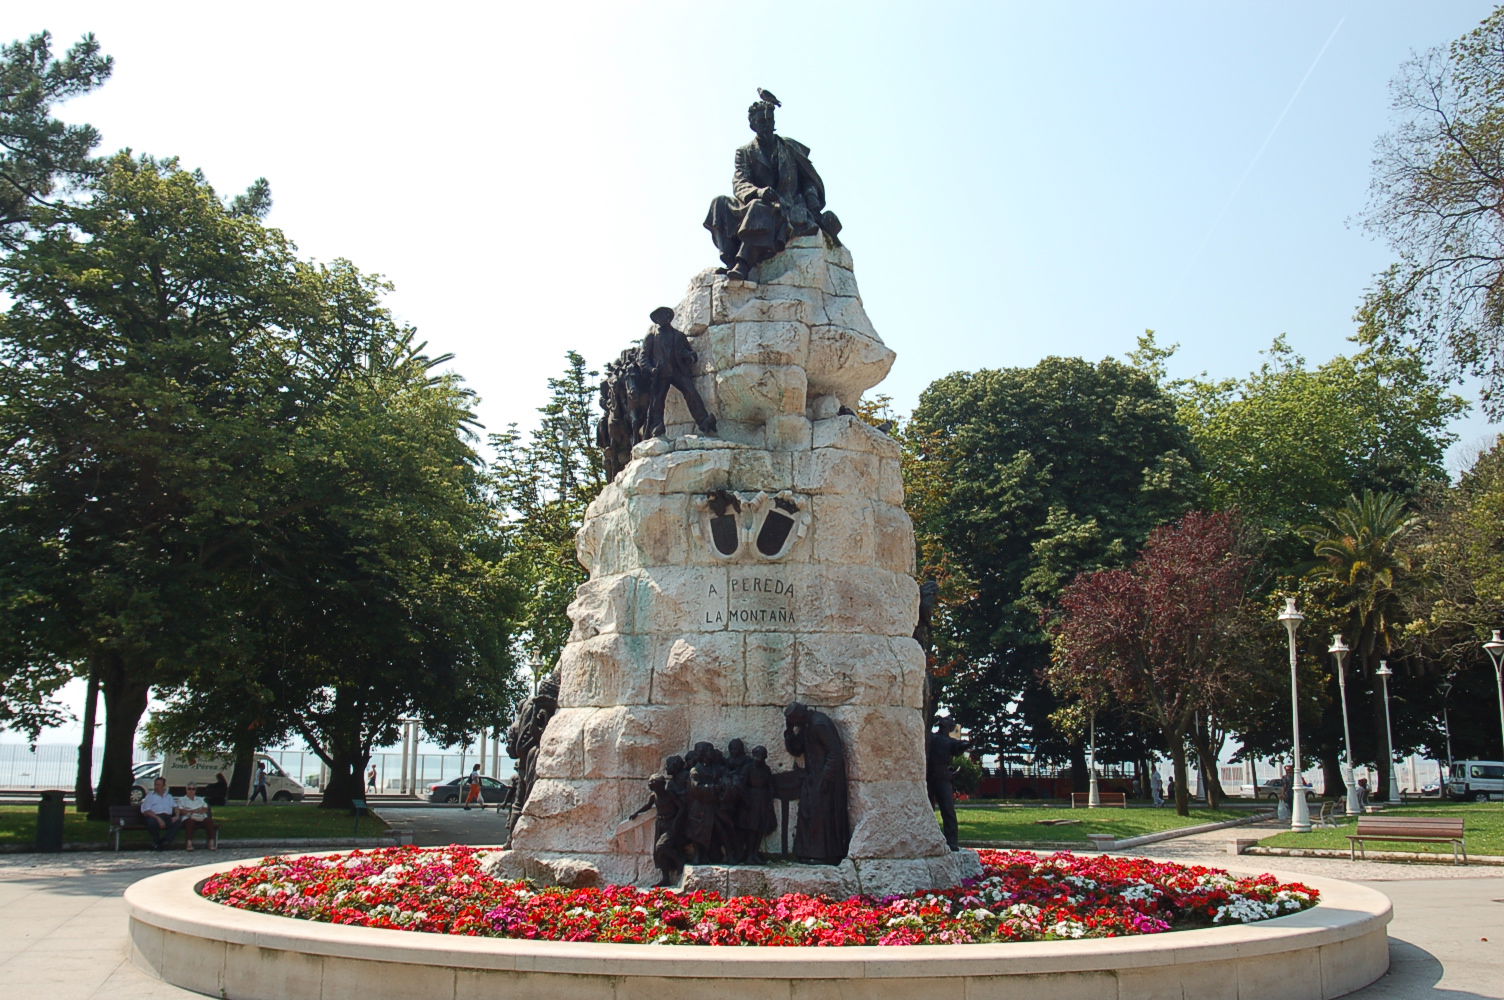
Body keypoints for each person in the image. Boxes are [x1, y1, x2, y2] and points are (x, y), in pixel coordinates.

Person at [704, 98, 841, 281]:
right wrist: (758, 192)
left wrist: (813, 206)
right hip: (755, 199)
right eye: (761, 121)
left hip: (786, 204)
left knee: (758, 208)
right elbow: (740, 181)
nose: (766, 125)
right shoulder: (745, 152)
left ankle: (742, 264)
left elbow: (809, 180)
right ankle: (730, 260)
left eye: (769, 120)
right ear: (752, 125)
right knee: (719, 203)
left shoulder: (790, 147)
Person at [782, 702, 850, 864]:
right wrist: (789, 731)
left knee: (823, 815)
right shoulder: (806, 725)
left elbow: (835, 753)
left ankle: (825, 854)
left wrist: (825, 778)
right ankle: (809, 852)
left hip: (826, 778)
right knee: (809, 814)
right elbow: (796, 749)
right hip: (812, 776)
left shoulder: (819, 723)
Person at [642, 307, 716, 439]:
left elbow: (686, 351)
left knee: (691, 392)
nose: (660, 319)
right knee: (657, 401)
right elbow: (643, 358)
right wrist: (651, 369)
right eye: (657, 317)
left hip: (677, 371)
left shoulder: (679, 335)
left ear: (668, 317)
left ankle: (704, 422)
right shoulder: (652, 337)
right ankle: (657, 427)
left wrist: (690, 356)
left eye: (662, 315)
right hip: (660, 373)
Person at [926, 717, 969, 851]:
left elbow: (959, 746)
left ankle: (951, 842)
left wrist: (967, 744)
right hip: (931, 776)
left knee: (947, 809)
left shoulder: (948, 741)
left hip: (941, 777)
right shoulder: (932, 738)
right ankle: (932, 839)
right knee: (931, 810)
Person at [139, 777, 180, 852]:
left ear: (164, 786)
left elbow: (176, 807)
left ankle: (163, 841)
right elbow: (146, 811)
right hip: (154, 816)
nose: (156, 787)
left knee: (177, 822)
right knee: (152, 823)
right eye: (155, 784)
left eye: (158, 785)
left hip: (167, 816)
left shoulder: (169, 796)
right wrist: (158, 819)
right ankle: (157, 841)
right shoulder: (150, 796)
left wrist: (176, 816)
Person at [176, 782, 219, 851]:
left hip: (200, 818)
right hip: (189, 818)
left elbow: (205, 809)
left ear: (196, 790)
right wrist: (196, 810)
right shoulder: (182, 799)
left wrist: (191, 811)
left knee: (209, 821)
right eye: (189, 789)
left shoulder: (200, 799)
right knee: (190, 822)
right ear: (186, 790)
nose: (191, 791)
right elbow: (181, 810)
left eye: (193, 789)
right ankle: (189, 843)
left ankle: (211, 842)